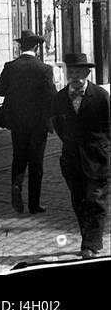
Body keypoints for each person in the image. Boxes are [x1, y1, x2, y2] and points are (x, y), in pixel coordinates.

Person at [52, 52, 110, 259]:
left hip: (98, 159)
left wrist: (104, 149)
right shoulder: (59, 98)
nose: (75, 76)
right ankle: (89, 239)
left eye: (79, 71)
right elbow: (58, 125)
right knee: (79, 201)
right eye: (72, 71)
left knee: (96, 200)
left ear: (87, 73)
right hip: (72, 160)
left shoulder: (101, 96)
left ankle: (90, 245)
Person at [0, 30, 55, 213]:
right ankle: (34, 205)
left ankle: (16, 186)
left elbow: (0, 90)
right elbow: (51, 96)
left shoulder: (11, 66)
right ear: (36, 47)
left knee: (19, 157)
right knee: (36, 163)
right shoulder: (44, 69)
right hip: (38, 123)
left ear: (20, 46)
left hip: (17, 122)